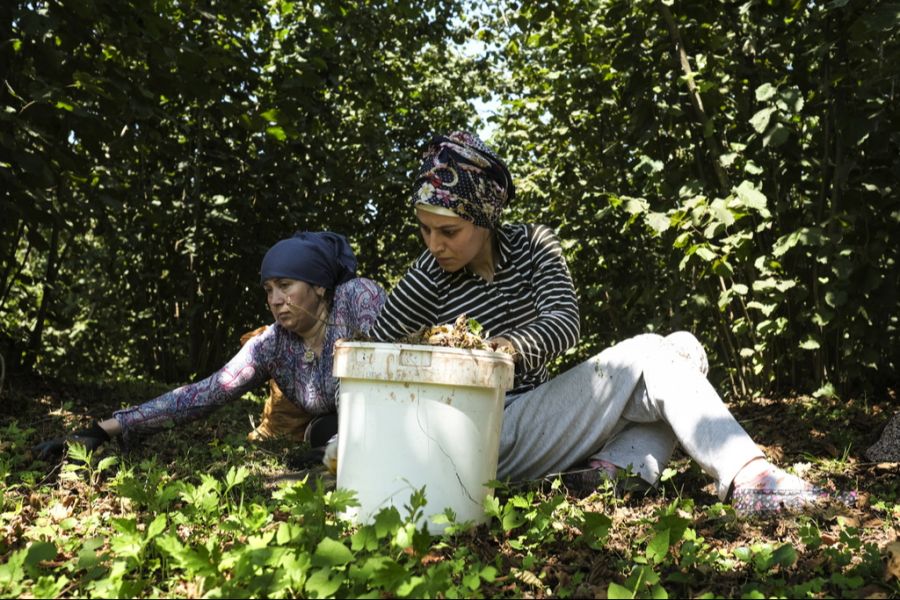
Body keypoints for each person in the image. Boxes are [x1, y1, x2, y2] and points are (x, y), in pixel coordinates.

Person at [367, 131, 855, 515]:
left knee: (684, 347)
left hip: (535, 420)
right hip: (473, 432)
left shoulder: (534, 245)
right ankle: (751, 478)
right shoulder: (425, 278)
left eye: (448, 230)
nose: (434, 244)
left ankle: (614, 471)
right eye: (425, 229)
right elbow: (368, 356)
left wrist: (506, 348)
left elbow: (564, 321)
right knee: (649, 351)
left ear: (487, 218)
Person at [34, 231, 386, 464]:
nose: (276, 300)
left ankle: (342, 449)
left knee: (329, 434)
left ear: (319, 286)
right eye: (268, 290)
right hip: (336, 431)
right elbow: (204, 393)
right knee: (319, 432)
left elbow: (387, 361)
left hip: (393, 416)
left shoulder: (357, 297)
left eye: (285, 285)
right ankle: (335, 448)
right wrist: (101, 430)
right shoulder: (273, 345)